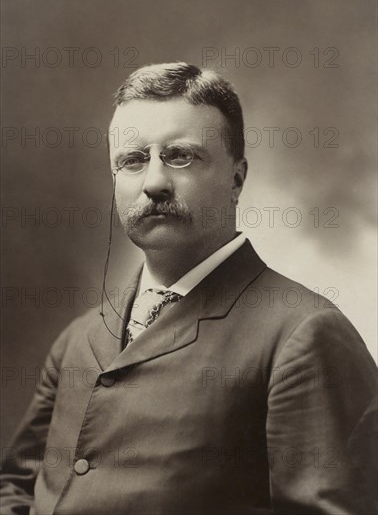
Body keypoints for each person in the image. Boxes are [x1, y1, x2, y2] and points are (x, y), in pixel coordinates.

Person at [1, 62, 377, 515]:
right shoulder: (80, 339)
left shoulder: (304, 336)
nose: (155, 182)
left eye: (180, 156)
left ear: (237, 179)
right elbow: (16, 487)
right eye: (133, 160)